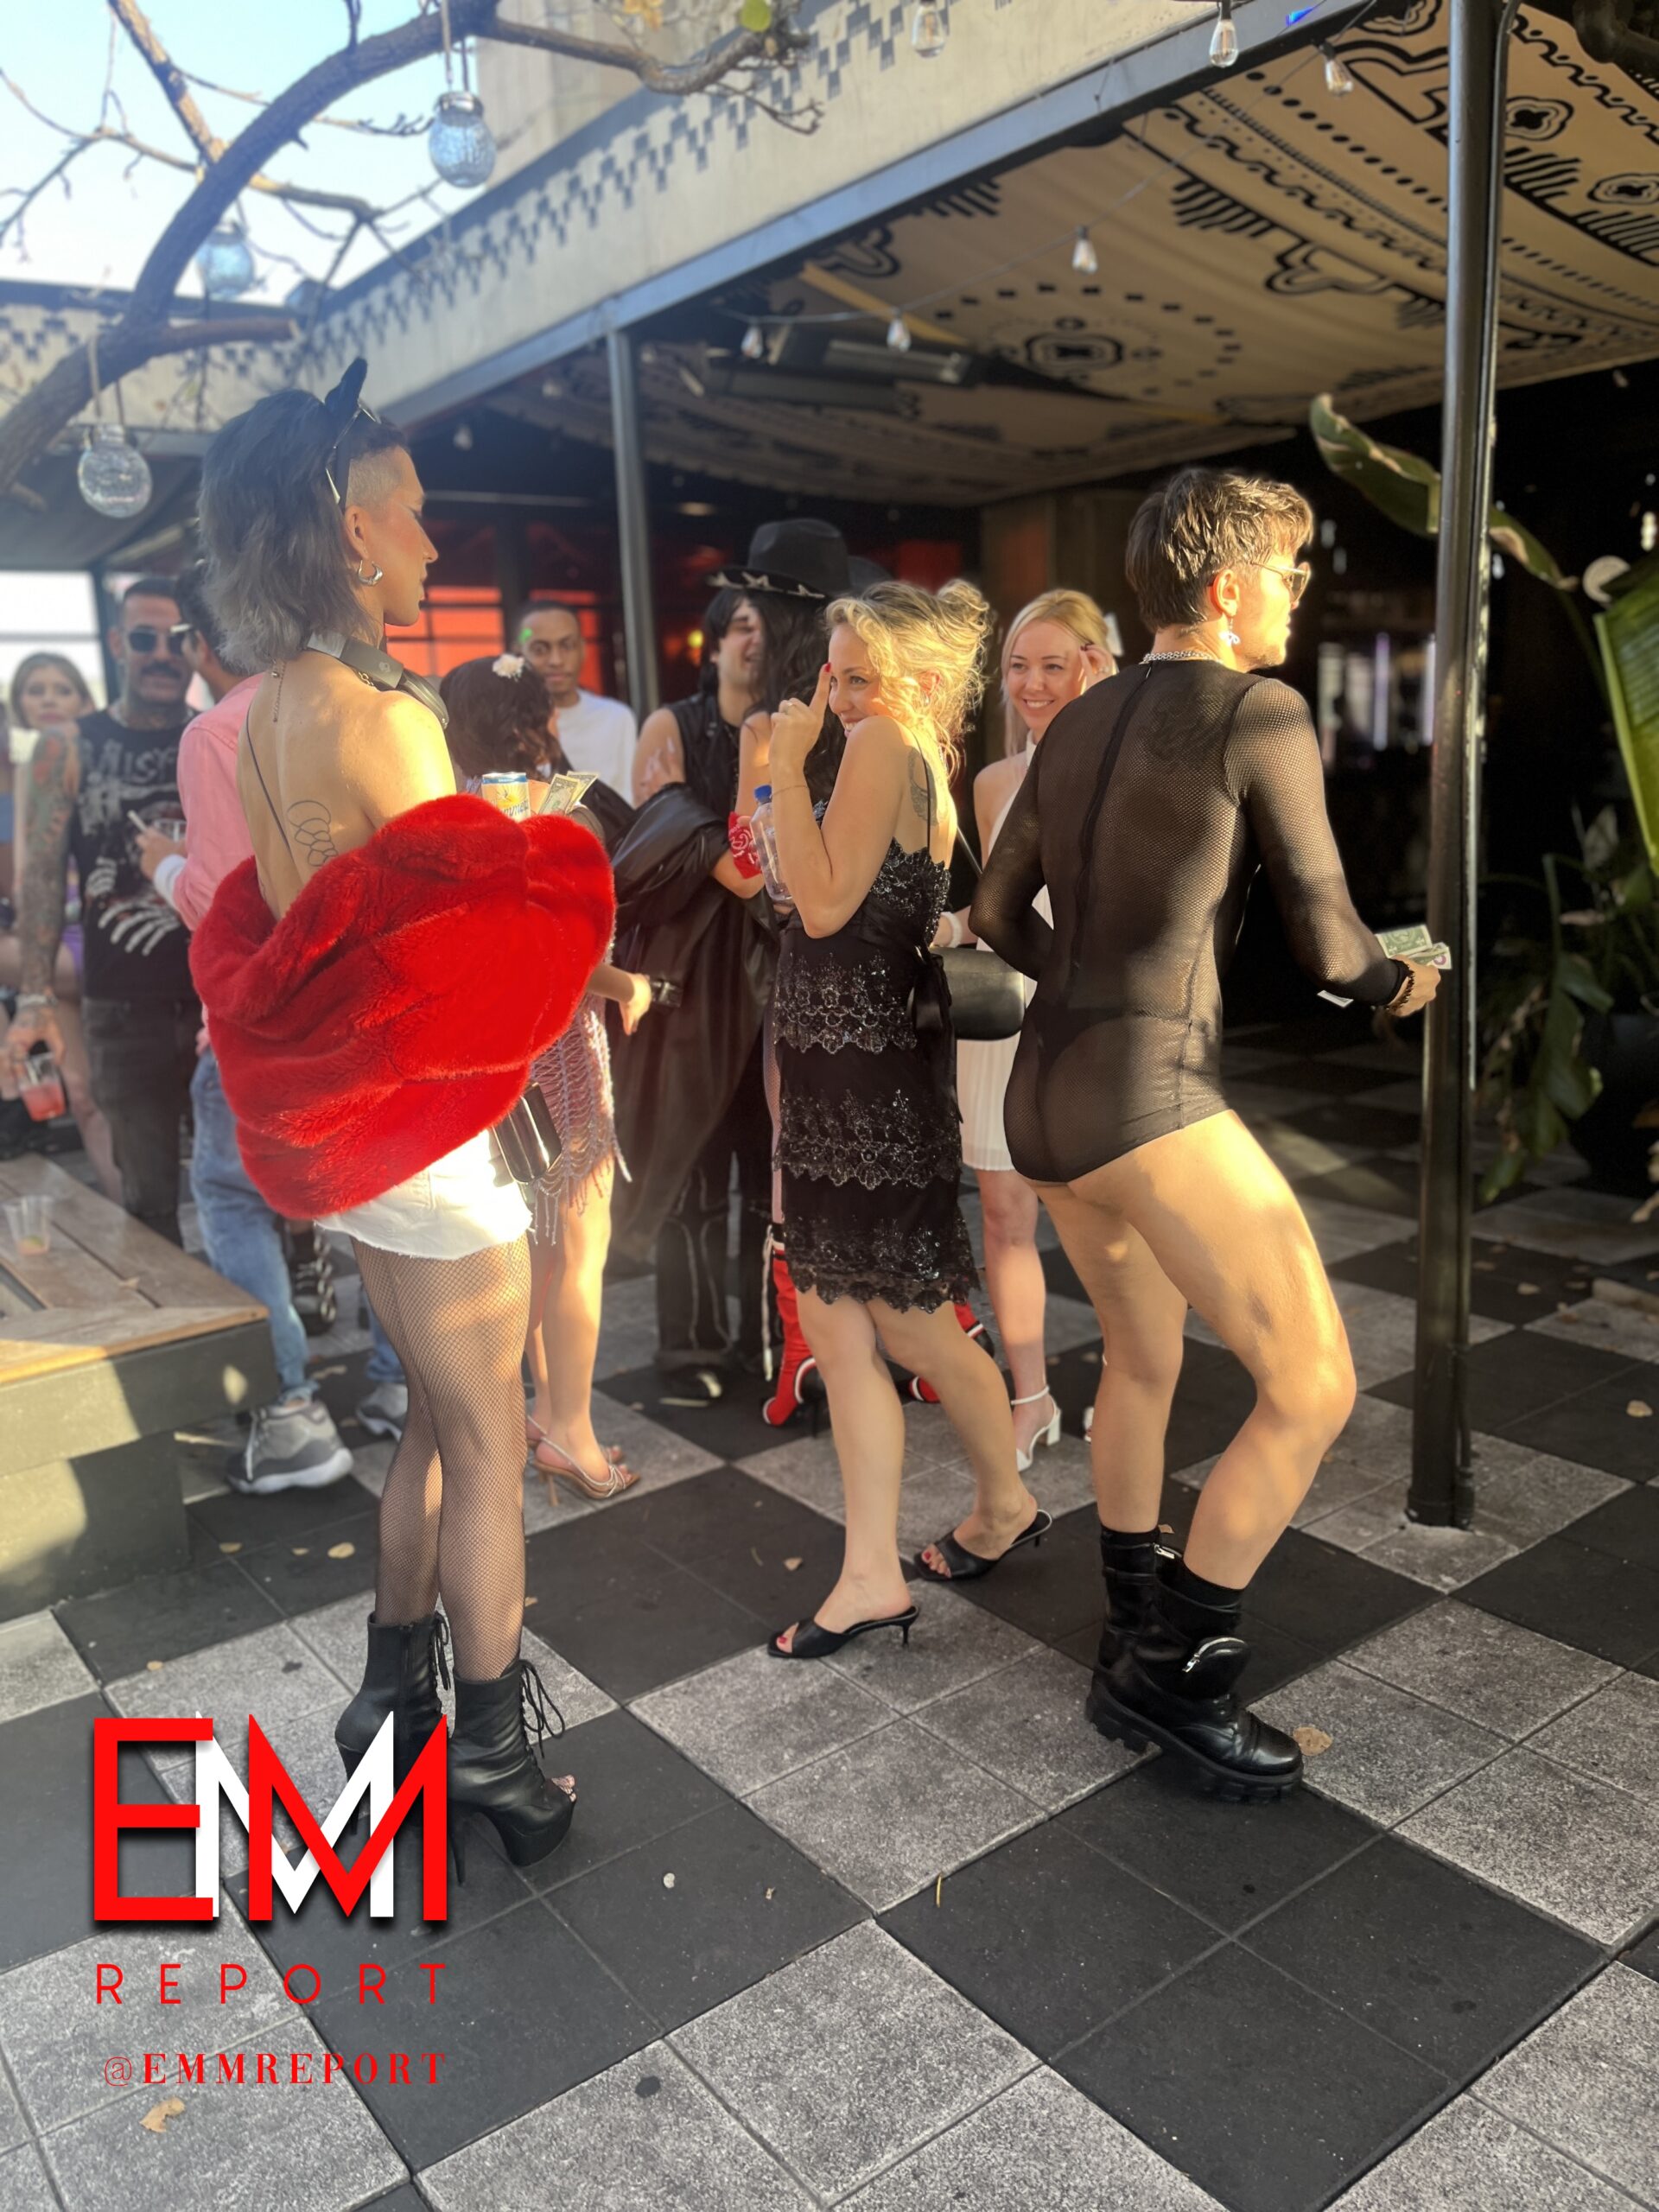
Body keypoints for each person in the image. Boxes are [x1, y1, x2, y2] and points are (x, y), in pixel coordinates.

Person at [191, 361, 613, 1877]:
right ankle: (488, 1744)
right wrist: (554, 859)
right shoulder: (383, 716)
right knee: (489, 1437)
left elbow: (326, 925)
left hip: (364, 1143)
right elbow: (472, 970)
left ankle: (392, 1692)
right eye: (416, 515)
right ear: (353, 532)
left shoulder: (265, 715)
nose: (435, 544)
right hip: (436, 1137)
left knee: (436, 1420)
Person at [971, 467, 1441, 1799]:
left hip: (1045, 1097)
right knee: (1316, 1385)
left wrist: (1084, 985)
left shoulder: (1075, 722)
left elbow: (997, 915)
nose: (1300, 592)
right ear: (1228, 589)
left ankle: (1129, 1622)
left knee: (1142, 1358)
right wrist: (1404, 985)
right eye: (1288, 573)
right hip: (1152, 1096)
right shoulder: (1259, 712)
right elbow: (1332, 944)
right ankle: (1172, 1675)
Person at [765, 581, 1044, 1661]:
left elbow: (822, 905)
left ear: (914, 678)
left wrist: (783, 766)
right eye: (834, 676)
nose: (840, 698)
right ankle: (881, 1567)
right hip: (859, 1078)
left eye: (861, 676)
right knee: (853, 1326)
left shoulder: (883, 745)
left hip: (862, 1088)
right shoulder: (914, 753)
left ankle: (993, 1507)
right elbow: (829, 901)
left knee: (904, 1325)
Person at [611, 528, 855, 1402]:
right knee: (693, 1164)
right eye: (739, 623)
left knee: (774, 1167)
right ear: (715, 639)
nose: (753, 637)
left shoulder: (807, 727)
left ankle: (773, 1343)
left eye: (763, 621)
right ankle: (692, 1350)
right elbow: (658, 842)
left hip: (780, 962)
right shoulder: (676, 727)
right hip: (700, 972)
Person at [131, 564, 359, 1496]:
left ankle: (293, 1414)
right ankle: (402, 1386)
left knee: (229, 1196)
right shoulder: (341, 707)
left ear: (199, 641)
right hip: (355, 1001)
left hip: (261, 1016)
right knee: (369, 1194)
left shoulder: (217, 730)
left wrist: (162, 864)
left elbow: (229, 905)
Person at [440, 652, 653, 1503]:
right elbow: (564, 953)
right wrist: (627, 985)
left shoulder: (446, 813)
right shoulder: (563, 813)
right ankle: (572, 1431)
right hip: (561, 1050)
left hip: (487, 1054)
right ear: (546, 720)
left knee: (529, 1243)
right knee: (579, 1249)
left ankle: (524, 1411)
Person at [941, 592, 1116, 1468]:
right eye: (1019, 666)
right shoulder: (991, 783)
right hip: (1005, 1011)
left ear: (1095, 663)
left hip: (1092, 1016)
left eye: (1054, 664)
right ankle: (1030, 1397)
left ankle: (1128, 1381)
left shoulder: (1126, 771)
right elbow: (1000, 907)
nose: (1033, 683)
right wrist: (952, 925)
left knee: (1110, 1216)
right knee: (1006, 1216)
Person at [6, 584, 199, 1241]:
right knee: (147, 1201)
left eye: (177, 639)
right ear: (118, 644)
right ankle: (170, 1302)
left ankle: (292, 1289)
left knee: (251, 1185)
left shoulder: (220, 734)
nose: (162, 653)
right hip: (122, 1001)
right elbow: (39, 878)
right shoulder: (66, 746)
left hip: (221, 996)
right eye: (145, 638)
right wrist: (35, 997)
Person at [2, 654, 121, 1198]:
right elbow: (28, 875)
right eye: (35, 690)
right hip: (54, 941)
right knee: (83, 1090)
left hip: (107, 934)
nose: (48, 699)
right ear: (19, 706)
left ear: (84, 700)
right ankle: (127, 1219)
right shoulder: (27, 768)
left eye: (61, 689)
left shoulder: (109, 756)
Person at [516, 602, 635, 800]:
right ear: (519, 654)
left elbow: (629, 798)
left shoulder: (617, 718)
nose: (556, 660)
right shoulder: (509, 724)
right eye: (540, 649)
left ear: (583, 649)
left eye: (567, 646)